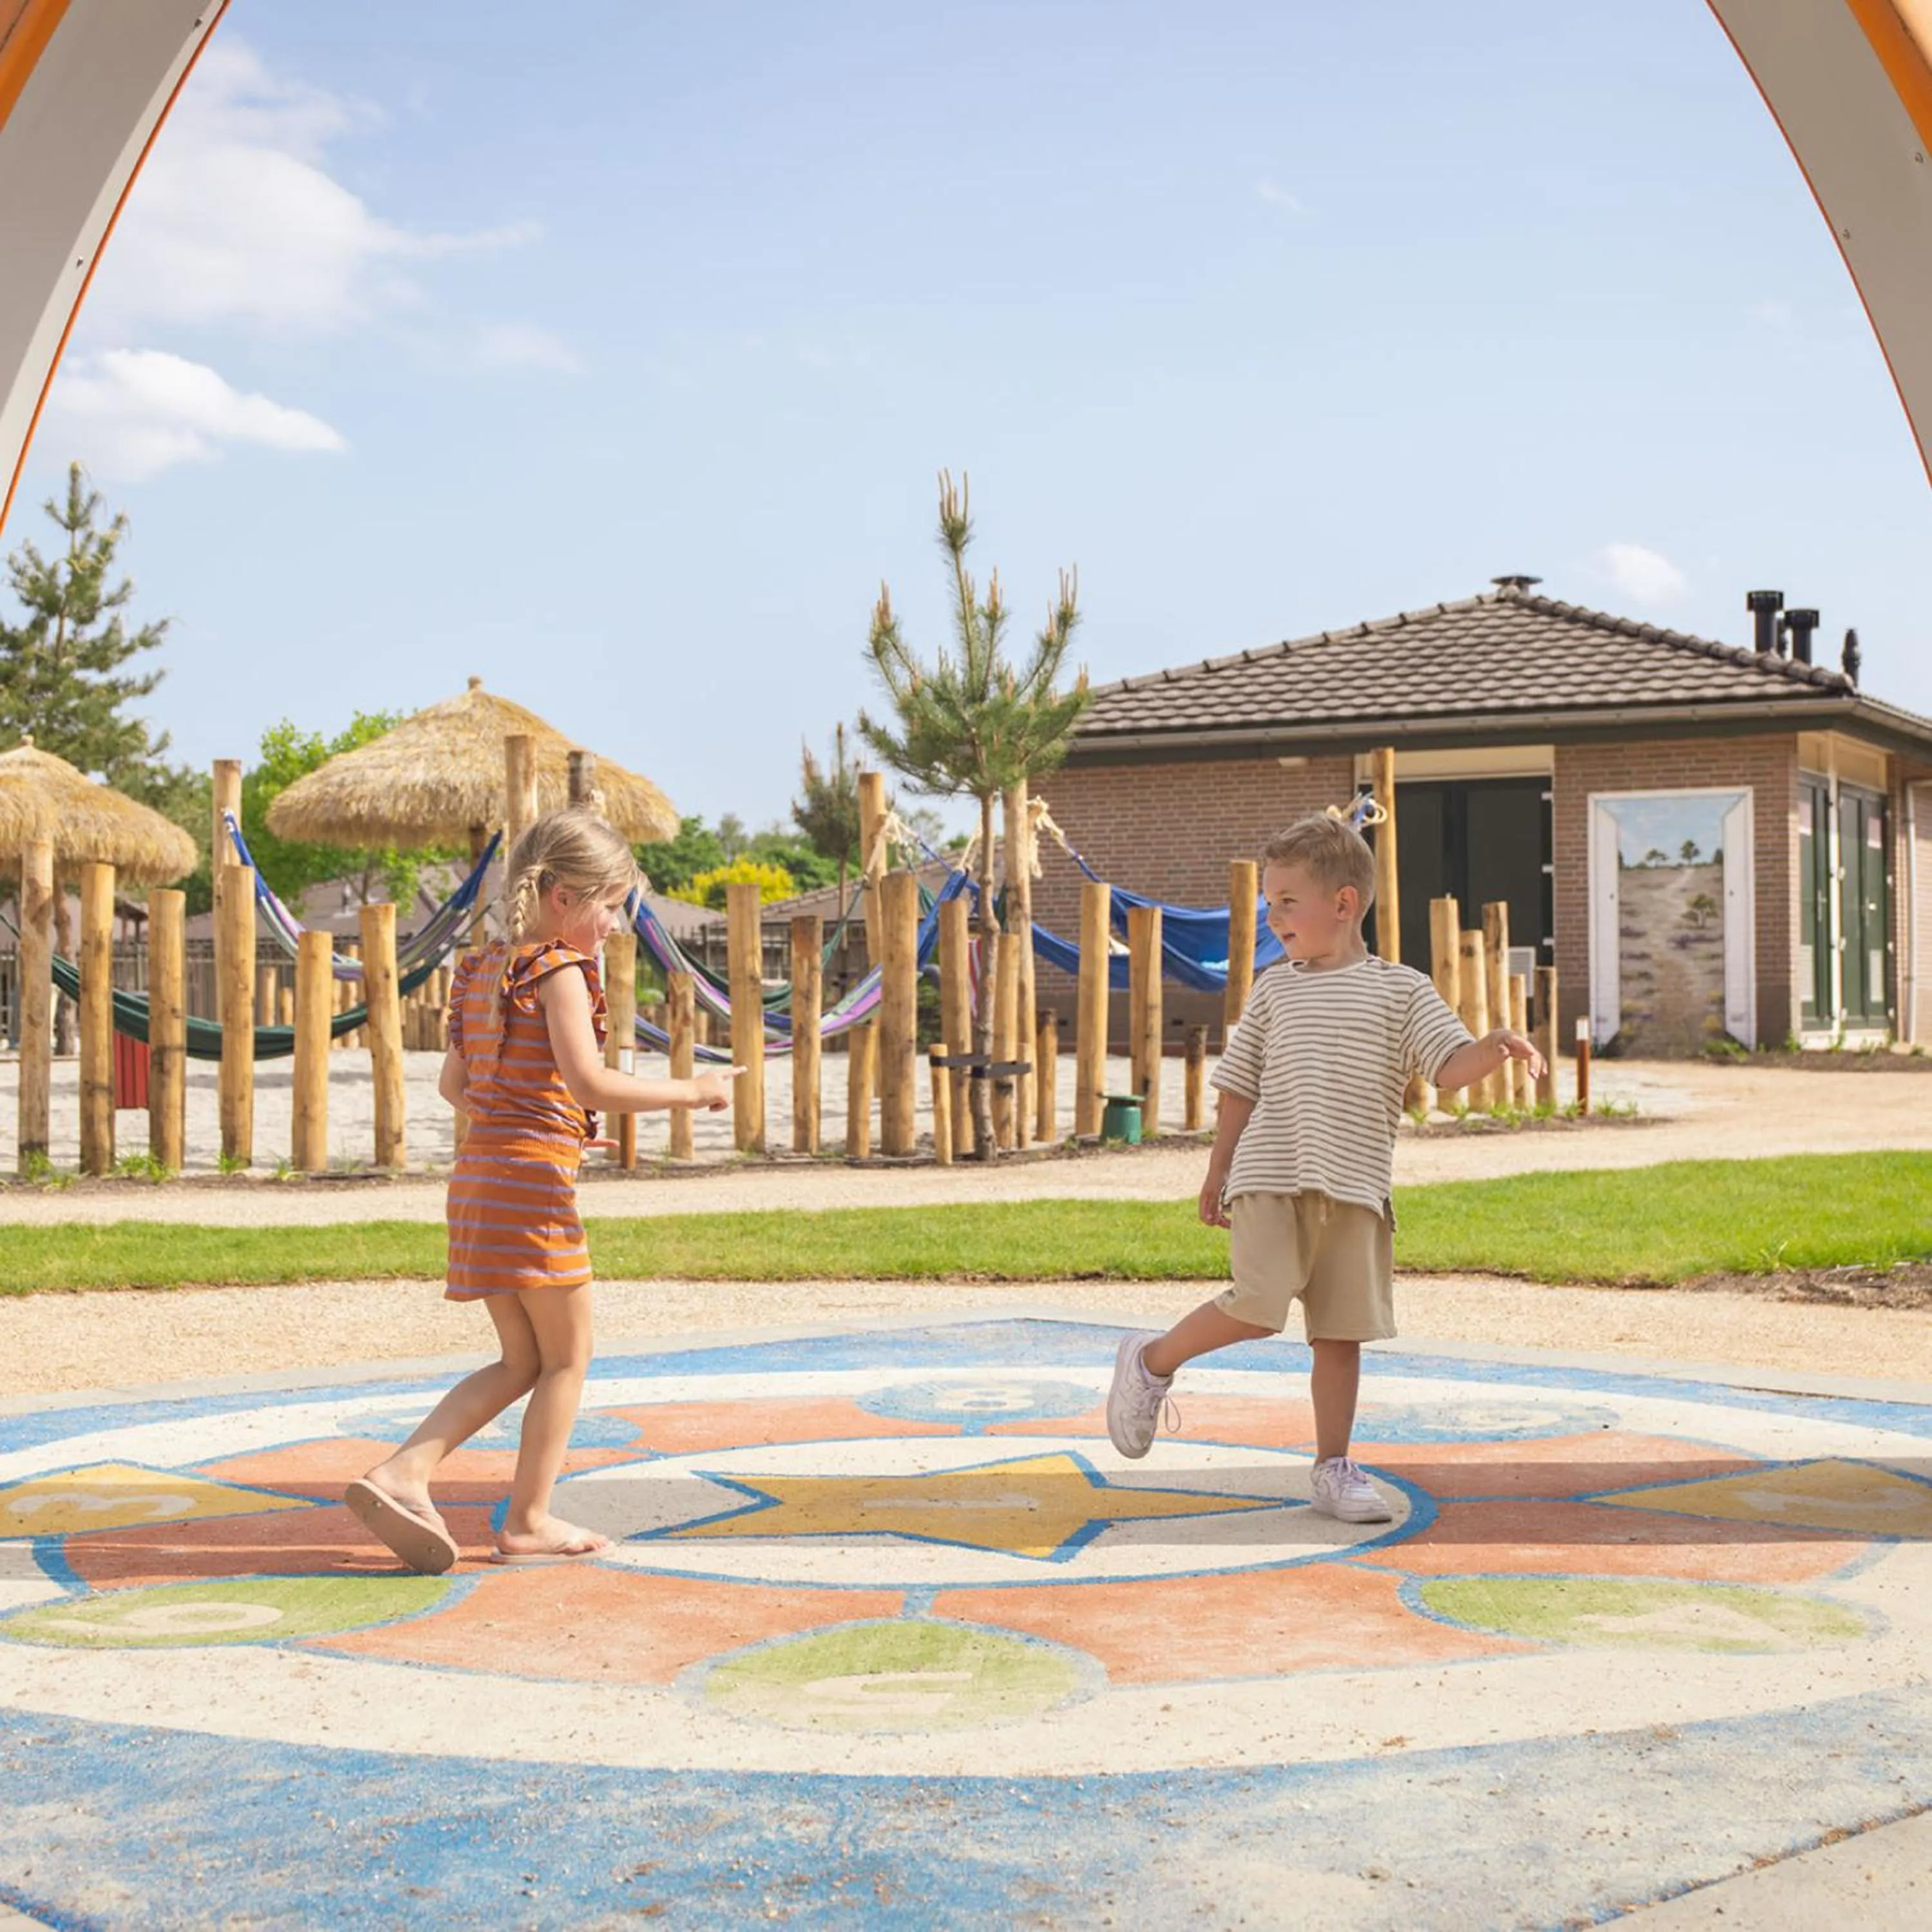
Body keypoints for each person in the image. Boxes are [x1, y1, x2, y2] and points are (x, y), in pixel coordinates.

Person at [1104, 811, 1544, 1522]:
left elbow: (1450, 1069)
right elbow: (1238, 1087)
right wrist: (1216, 1171)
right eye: (1270, 901)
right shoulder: (1275, 990)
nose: (1272, 915)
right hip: (1270, 1175)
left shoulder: (1402, 990)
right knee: (1256, 1304)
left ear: (1343, 904)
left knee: (1340, 1335)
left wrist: (1494, 1044)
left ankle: (1333, 1468)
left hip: (1357, 1189)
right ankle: (1151, 1361)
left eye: (1287, 901)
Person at [345, 808, 735, 1572]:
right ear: (563, 896)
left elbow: (456, 1087)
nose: (616, 924)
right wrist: (694, 1092)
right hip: (528, 1187)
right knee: (568, 1357)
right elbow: (590, 1078)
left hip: (479, 1181)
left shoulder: (482, 968)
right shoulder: (560, 969)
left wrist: (531, 1114)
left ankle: (406, 1471)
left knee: (521, 1360)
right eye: (611, 904)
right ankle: (524, 1519)